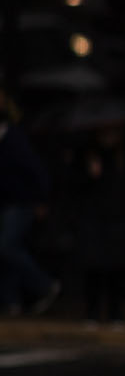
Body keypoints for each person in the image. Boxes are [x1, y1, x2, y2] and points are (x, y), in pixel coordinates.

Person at [68, 130, 125, 326]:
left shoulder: (124, 156)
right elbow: (72, 186)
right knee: (93, 268)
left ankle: (116, 312)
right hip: (93, 220)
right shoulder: (87, 156)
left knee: (116, 269)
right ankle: (92, 311)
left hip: (118, 219)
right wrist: (90, 174)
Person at [0, 91, 56, 315]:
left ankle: (44, 285)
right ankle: (10, 300)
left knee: (6, 246)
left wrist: (41, 198)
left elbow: (35, 170)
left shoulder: (13, 137)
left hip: (21, 202)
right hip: (6, 202)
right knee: (6, 251)